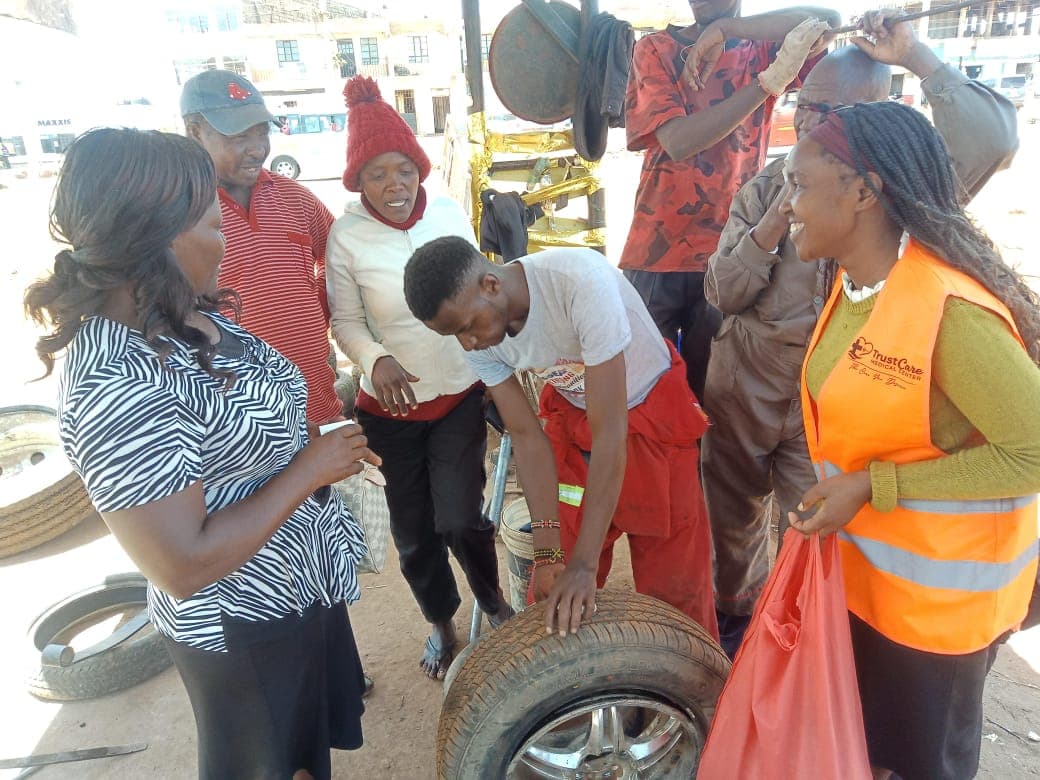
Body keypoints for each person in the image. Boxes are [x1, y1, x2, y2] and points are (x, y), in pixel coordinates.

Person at [24, 127, 379, 780]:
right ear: (153, 240)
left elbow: (235, 433)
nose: (227, 242)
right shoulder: (116, 385)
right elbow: (183, 565)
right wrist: (308, 471)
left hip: (294, 585)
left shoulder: (177, 310)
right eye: (215, 226)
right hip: (244, 624)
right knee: (274, 765)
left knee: (305, 755)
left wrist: (311, 449)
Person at [702, 11, 1020, 657]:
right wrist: (775, 221)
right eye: (805, 107)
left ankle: (806, 642)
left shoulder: (900, 185)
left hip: (835, 403)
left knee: (815, 531)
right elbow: (723, 292)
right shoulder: (770, 186)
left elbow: (991, 138)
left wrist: (917, 56)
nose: (809, 125)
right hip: (746, 381)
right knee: (730, 526)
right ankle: (737, 628)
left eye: (829, 114)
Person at [781, 101, 1040, 780]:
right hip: (868, 587)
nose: (787, 206)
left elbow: (1034, 450)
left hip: (938, 615)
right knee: (874, 753)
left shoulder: (949, 311)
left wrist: (876, 486)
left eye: (798, 185)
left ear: (863, 192)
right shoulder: (857, 287)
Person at [403, 240, 718, 640]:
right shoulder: (477, 331)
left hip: (650, 417)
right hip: (575, 419)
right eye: (454, 335)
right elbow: (526, 437)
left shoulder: (580, 283)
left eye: (466, 328)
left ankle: (697, 674)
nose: (468, 343)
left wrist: (585, 566)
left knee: (675, 595)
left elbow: (610, 433)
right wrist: (549, 552)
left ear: (491, 285)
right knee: (552, 587)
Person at [326, 75, 512, 680]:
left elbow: (482, 294)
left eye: (404, 169)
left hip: (458, 394)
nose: (395, 185)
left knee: (460, 517)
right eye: (377, 173)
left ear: (419, 169)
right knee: (414, 534)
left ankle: (493, 601)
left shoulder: (451, 213)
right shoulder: (346, 236)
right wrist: (373, 359)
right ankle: (440, 620)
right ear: (359, 180)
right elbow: (345, 321)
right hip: (391, 412)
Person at [619, 3, 839, 401]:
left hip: (732, 255)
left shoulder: (764, 47)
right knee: (646, 395)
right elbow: (678, 141)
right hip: (658, 251)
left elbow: (828, 21)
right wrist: (767, 83)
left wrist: (726, 28)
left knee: (713, 395)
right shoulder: (656, 48)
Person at [181, 69, 342, 425]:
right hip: (243, 425)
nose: (258, 149)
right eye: (240, 136)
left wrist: (317, 309)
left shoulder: (295, 198)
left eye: (262, 132)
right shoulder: (181, 214)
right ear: (195, 131)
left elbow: (341, 258)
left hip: (318, 406)